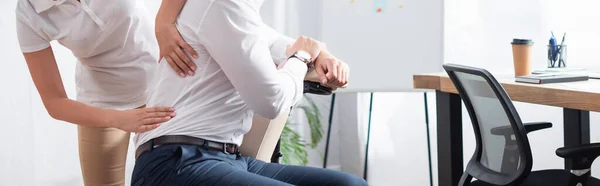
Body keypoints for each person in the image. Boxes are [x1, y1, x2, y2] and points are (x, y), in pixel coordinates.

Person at [131, 0, 366, 185]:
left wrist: (320, 54)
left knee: (350, 183)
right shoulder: (224, 4)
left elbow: (273, 42)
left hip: (225, 158)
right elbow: (271, 101)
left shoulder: (242, 10)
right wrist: (302, 57)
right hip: (173, 162)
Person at [14, 0, 191, 185]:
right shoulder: (29, 11)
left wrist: (165, 22)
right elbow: (54, 102)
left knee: (178, 176)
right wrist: (117, 118)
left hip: (164, 86)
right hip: (103, 104)